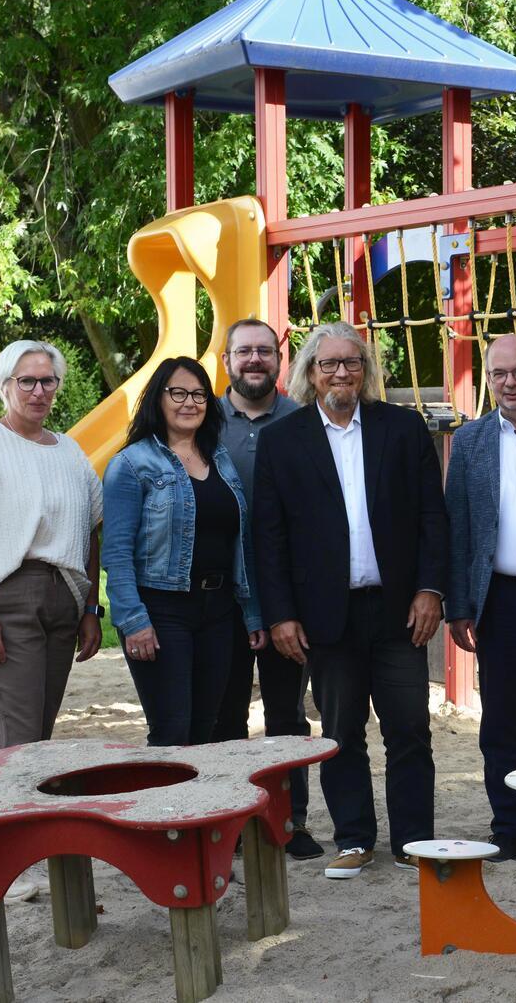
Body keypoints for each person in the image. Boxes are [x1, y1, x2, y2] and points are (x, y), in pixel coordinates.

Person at [253, 322, 448, 880]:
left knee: (410, 726)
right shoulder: (282, 441)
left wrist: (431, 589)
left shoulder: (403, 429)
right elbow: (269, 538)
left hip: (398, 610)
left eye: (352, 363)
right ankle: (356, 837)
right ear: (310, 373)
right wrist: (282, 614)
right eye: (328, 364)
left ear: (366, 371)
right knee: (341, 732)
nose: (341, 373)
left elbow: (432, 519)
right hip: (323, 616)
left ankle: (414, 839)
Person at [103, 356, 264, 746]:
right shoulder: (131, 464)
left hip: (220, 611)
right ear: (158, 398)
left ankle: (202, 808)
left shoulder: (220, 459)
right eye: (178, 392)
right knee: (173, 731)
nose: (189, 402)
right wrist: (132, 619)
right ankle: (163, 809)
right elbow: (117, 552)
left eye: (198, 394)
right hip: (162, 612)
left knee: (210, 730)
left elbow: (239, 542)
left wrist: (252, 611)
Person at [210, 318, 322, 860]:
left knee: (287, 715)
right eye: (243, 351)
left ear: (281, 358)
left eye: (264, 351)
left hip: (286, 596)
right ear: (226, 359)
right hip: (222, 597)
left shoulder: (306, 420)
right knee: (227, 715)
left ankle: (289, 822)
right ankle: (230, 824)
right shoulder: (202, 420)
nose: (254, 360)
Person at [0, 340, 104, 752]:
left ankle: (29, 815)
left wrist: (91, 609)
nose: (39, 391)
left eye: (48, 381)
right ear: (4, 385)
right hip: (6, 599)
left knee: (39, 737)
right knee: (17, 741)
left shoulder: (70, 451)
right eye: (27, 382)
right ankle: (5, 815)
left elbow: (89, 533)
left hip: (64, 601)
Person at [444, 334, 516, 862]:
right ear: (488, 378)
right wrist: (459, 605)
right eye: (499, 374)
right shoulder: (471, 440)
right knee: (500, 719)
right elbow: (458, 526)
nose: (510, 383)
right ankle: (509, 829)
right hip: (497, 599)